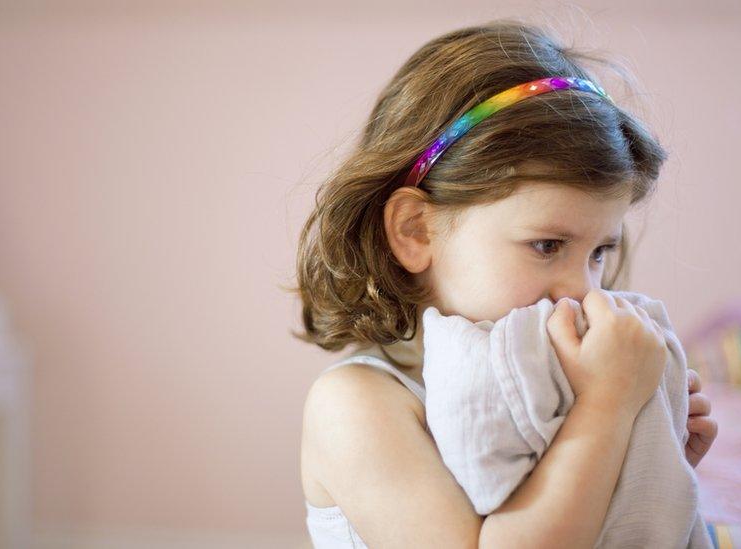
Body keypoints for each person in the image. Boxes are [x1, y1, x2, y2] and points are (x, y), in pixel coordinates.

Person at [292, 18, 718, 548]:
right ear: (415, 230)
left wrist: (647, 457)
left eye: (600, 252)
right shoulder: (356, 405)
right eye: (547, 246)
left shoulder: (547, 381)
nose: (583, 290)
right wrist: (608, 406)